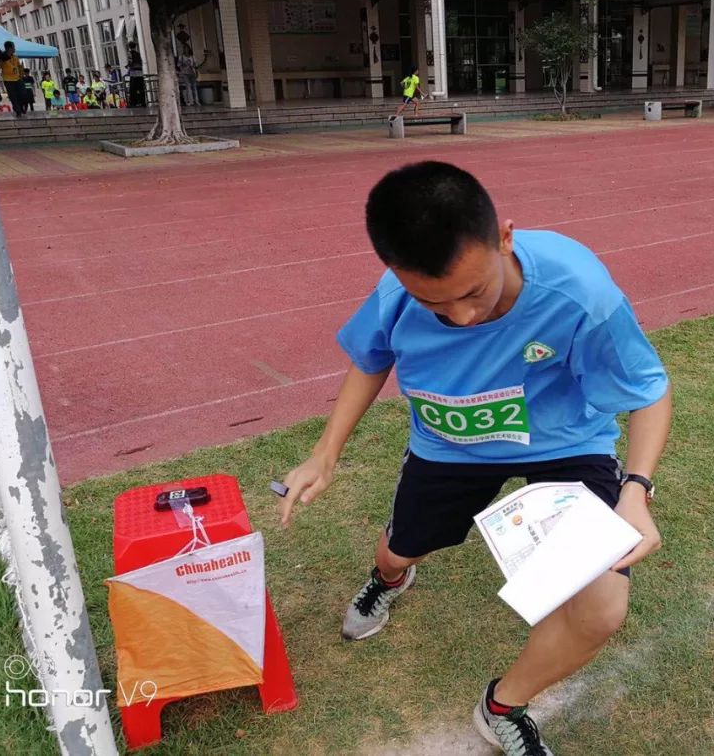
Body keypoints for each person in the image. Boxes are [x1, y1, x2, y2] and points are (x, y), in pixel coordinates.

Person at [280, 161, 671, 756]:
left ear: (505, 238)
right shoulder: (396, 294)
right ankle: (390, 578)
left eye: (472, 293)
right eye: (434, 302)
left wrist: (635, 491)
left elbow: (648, 390)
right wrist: (324, 454)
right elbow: (370, 358)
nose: (461, 316)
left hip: (566, 444)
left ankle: (502, 706)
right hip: (449, 444)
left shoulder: (579, 290)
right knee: (397, 549)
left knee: (600, 608)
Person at [0, 40, 25, 117]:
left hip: (18, 79)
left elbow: (19, 67)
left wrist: (21, 76)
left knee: (22, 94)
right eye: (13, 47)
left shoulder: (15, 57)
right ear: (9, 48)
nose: (14, 48)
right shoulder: (3, 57)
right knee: (13, 96)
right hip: (8, 80)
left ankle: (21, 107)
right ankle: (18, 110)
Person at [127, 41, 146, 107]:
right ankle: (143, 102)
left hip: (133, 73)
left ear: (129, 47)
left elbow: (130, 62)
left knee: (132, 89)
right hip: (140, 72)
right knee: (141, 88)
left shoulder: (129, 53)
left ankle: (132, 103)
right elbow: (141, 62)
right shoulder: (138, 53)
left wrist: (128, 66)